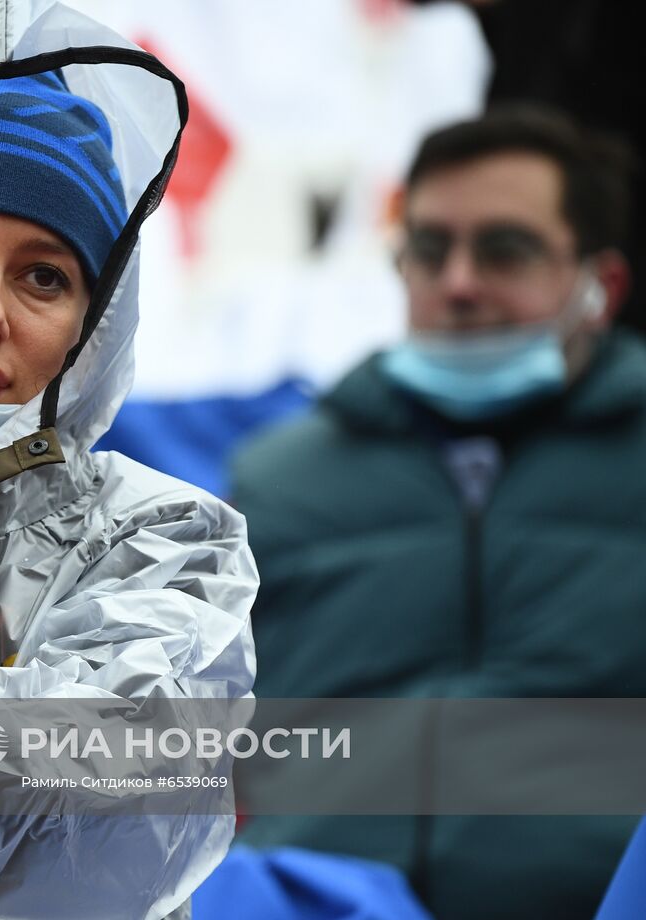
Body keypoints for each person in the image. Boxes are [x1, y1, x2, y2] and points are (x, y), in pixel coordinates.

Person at [229, 104, 645, 919]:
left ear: (602, 287)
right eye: (429, 249)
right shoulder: (274, 479)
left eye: (505, 249)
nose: (458, 283)